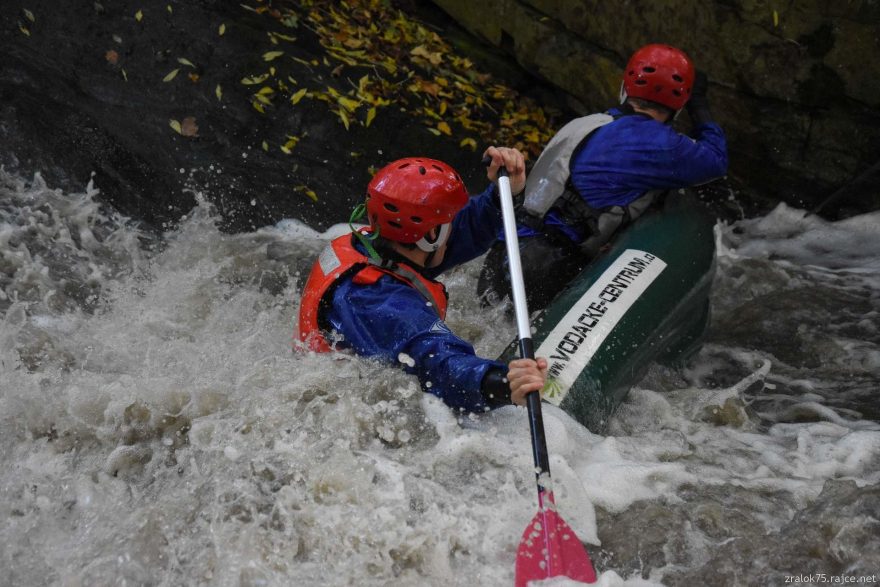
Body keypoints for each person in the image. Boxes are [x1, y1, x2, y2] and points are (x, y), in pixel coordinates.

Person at [477, 43, 729, 311]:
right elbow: (716, 160)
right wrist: (699, 105)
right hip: (549, 267)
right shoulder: (661, 145)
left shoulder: (587, 123)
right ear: (680, 104)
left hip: (504, 251)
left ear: (625, 87)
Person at [296, 147, 547, 413]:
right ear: (431, 236)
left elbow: (460, 232)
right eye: (447, 221)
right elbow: (439, 365)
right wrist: (501, 383)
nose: (453, 226)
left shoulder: (378, 245)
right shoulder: (381, 301)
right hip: (340, 407)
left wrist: (502, 195)